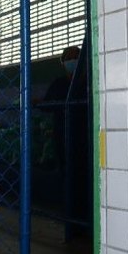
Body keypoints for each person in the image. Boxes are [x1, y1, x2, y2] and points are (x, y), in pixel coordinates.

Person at [39, 45, 90, 224]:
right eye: (68, 58)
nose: (72, 61)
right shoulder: (59, 84)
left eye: (75, 57)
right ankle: (70, 215)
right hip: (63, 135)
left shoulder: (89, 82)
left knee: (85, 174)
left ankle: (86, 215)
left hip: (85, 136)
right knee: (66, 174)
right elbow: (46, 104)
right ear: (63, 63)